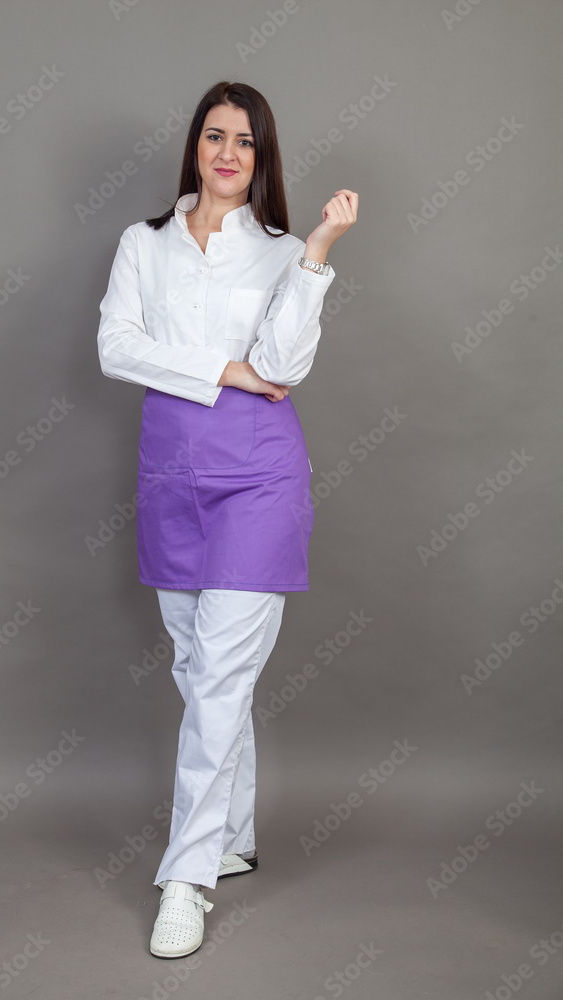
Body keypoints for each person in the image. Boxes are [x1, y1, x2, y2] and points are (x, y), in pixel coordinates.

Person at [96, 80, 358, 959]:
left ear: (261, 157)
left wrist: (315, 254)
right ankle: (233, 835)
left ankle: (185, 879)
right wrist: (224, 368)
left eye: (245, 141)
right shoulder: (144, 243)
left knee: (216, 680)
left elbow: (282, 366)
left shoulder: (280, 252)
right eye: (215, 135)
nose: (228, 153)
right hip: (172, 479)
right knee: (197, 669)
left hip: (258, 479)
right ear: (196, 146)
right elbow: (115, 347)